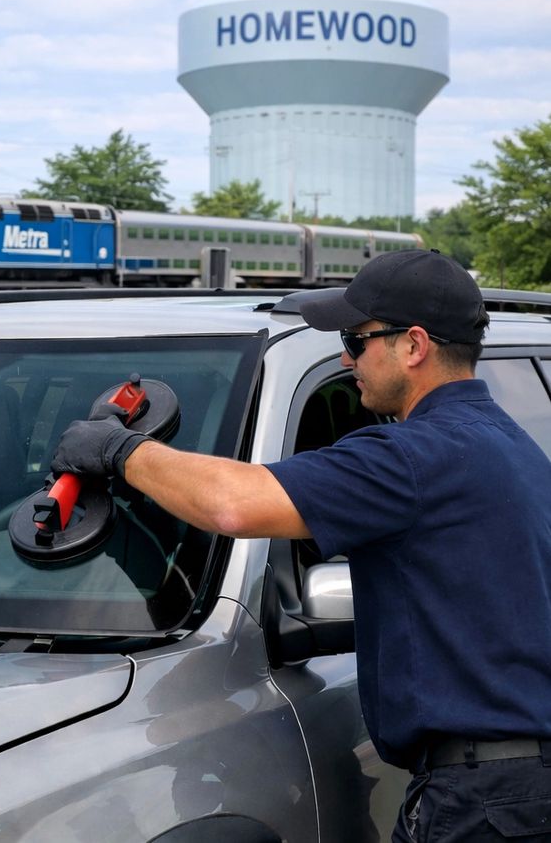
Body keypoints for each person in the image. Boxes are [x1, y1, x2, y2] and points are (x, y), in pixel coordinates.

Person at [50, 249, 551, 842]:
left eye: (356, 339)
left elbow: (233, 503)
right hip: (511, 789)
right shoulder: (509, 442)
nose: (346, 356)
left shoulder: (415, 458)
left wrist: (118, 451)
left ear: (413, 346)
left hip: (483, 802)